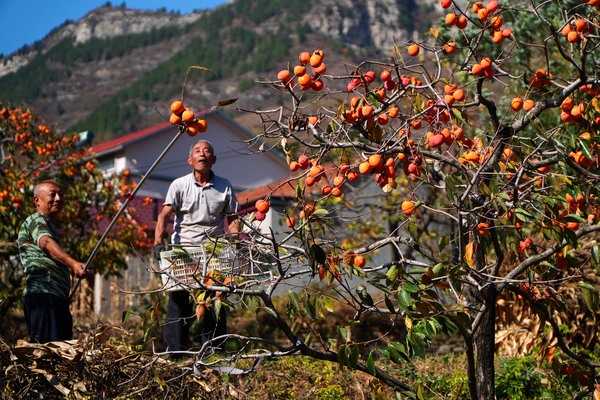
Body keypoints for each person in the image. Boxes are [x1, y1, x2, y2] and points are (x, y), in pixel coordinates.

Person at [154, 140, 239, 353]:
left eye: (207, 151)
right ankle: (174, 352)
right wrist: (157, 243)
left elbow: (233, 218)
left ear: (214, 159)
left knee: (214, 300)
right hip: (183, 250)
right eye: (197, 151)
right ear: (190, 160)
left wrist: (234, 242)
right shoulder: (179, 185)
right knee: (178, 301)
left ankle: (214, 351)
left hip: (214, 251)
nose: (202, 154)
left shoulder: (225, 185)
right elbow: (164, 214)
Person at [17, 180, 86, 343]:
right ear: (37, 200)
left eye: (61, 195)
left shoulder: (49, 225)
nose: (58, 198)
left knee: (61, 355)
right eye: (52, 194)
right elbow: (46, 243)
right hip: (44, 296)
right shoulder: (36, 219)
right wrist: (73, 264)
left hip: (54, 298)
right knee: (48, 355)